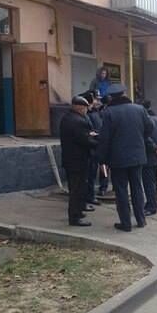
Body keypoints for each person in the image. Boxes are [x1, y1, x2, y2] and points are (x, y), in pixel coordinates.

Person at [97, 84, 154, 232]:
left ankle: (126, 223)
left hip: (118, 159)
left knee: (121, 191)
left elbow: (105, 138)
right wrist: (139, 140)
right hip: (137, 156)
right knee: (137, 187)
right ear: (124, 93)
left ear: (111, 97)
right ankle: (141, 220)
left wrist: (101, 158)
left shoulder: (109, 112)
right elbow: (149, 128)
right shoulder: (139, 109)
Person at [59, 96, 98, 227]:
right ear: (80, 107)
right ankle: (75, 217)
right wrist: (98, 141)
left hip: (71, 160)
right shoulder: (78, 121)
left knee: (76, 188)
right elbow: (85, 140)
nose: (87, 110)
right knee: (77, 189)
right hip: (78, 161)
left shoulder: (66, 118)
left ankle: (79, 211)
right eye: (86, 108)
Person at [142, 101, 157, 216]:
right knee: (154, 181)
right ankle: (153, 202)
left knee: (148, 183)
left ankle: (151, 206)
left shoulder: (145, 121)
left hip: (148, 155)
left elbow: (146, 138)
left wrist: (156, 149)